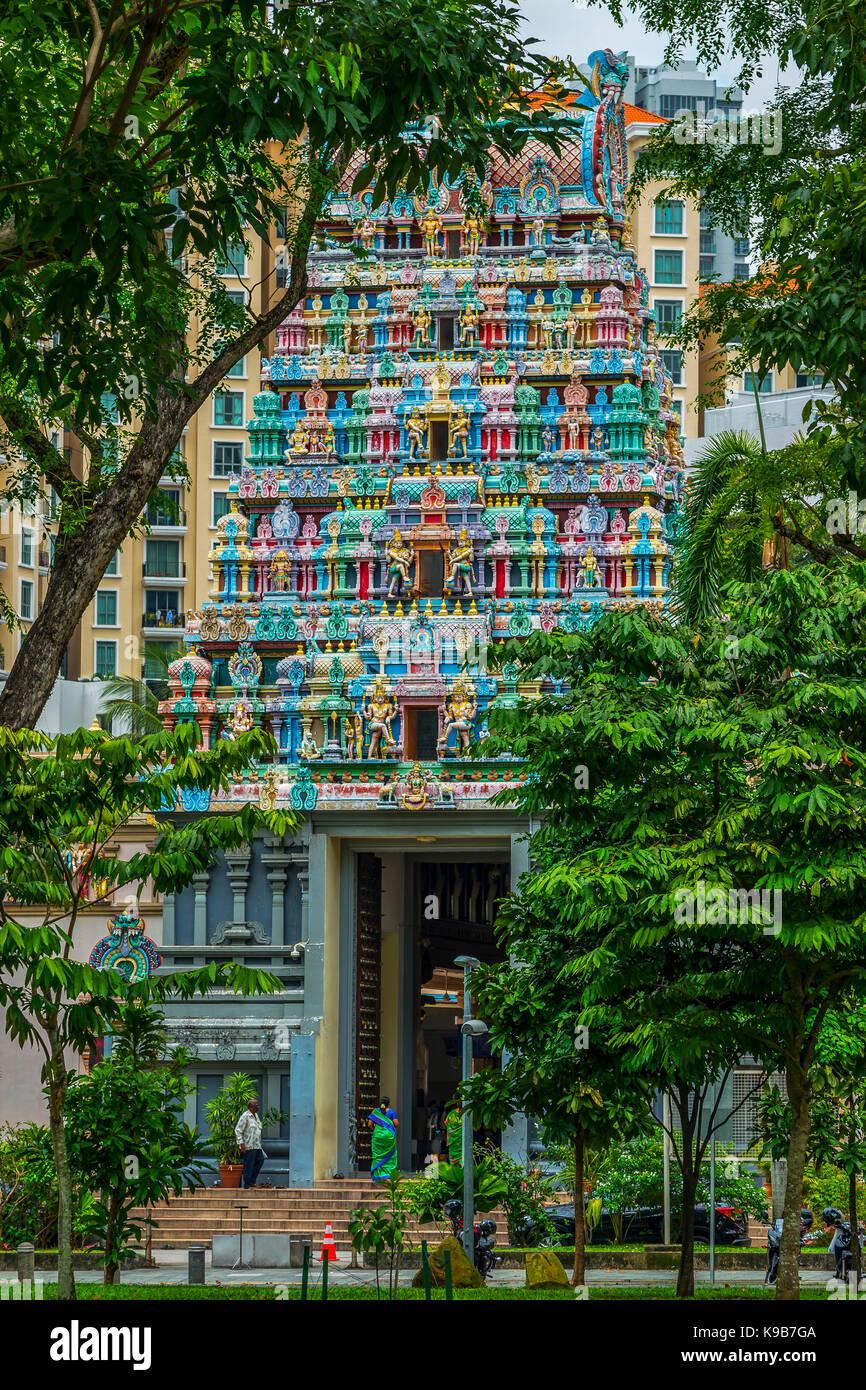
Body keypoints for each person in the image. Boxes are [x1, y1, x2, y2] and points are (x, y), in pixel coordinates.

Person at [235, 1098, 266, 1189]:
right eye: (257, 1105)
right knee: (249, 1164)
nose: (258, 1106)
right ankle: (248, 1184)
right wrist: (241, 1143)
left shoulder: (256, 1115)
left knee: (260, 1160)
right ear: (251, 1106)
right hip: (248, 1146)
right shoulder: (245, 1116)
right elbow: (238, 1130)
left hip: (257, 1145)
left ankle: (252, 1182)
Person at [368, 1096, 399, 1181]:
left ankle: (379, 1175)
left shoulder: (376, 1112)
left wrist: (376, 1129)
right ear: (388, 1103)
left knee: (378, 1155)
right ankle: (387, 1174)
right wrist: (389, 1124)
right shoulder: (391, 1112)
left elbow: (370, 1124)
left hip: (378, 1136)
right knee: (390, 1154)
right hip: (388, 1137)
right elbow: (396, 1124)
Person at [444, 1098, 462, 1165]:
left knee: (453, 1159)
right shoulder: (466, 1113)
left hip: (452, 1141)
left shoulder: (451, 1113)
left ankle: (454, 1172)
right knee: (462, 1157)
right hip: (461, 1140)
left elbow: (446, 1123)